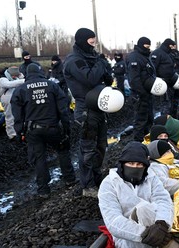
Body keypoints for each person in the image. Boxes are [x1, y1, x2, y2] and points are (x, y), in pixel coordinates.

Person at [11, 63, 76, 197]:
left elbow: (17, 114)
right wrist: (66, 128)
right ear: (41, 72)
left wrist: (20, 132)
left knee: (39, 158)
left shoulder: (21, 89)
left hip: (33, 130)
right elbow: (63, 109)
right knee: (62, 150)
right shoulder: (52, 86)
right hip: (53, 127)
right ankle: (69, 179)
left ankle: (43, 190)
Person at [64, 27, 112, 196]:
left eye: (94, 40)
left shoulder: (91, 57)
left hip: (99, 107)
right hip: (86, 109)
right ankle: (88, 185)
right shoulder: (74, 60)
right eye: (90, 40)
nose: (93, 43)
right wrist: (99, 63)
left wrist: (105, 66)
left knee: (100, 146)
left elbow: (107, 79)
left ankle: (98, 179)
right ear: (83, 40)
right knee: (88, 149)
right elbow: (90, 79)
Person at [97, 141, 174, 247]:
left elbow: (163, 199)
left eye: (139, 164)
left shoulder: (151, 177)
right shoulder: (109, 184)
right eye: (131, 163)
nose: (135, 167)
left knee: (144, 209)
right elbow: (113, 220)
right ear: (123, 164)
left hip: (155, 226)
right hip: (128, 236)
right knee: (142, 208)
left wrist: (162, 224)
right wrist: (144, 234)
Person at [127, 37, 157, 142]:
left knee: (149, 120)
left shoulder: (145, 56)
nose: (148, 48)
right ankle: (138, 145)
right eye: (146, 46)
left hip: (147, 94)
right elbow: (134, 79)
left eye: (149, 46)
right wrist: (142, 92)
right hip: (139, 95)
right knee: (140, 121)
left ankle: (146, 142)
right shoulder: (134, 57)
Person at [151, 38, 179, 118]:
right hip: (161, 82)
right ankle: (163, 120)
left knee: (172, 102)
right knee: (164, 104)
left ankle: (172, 118)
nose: (173, 48)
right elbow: (153, 68)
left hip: (171, 81)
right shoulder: (157, 53)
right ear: (168, 45)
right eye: (172, 46)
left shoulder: (170, 54)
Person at [0, 66, 26, 140]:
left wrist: (21, 76)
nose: (15, 77)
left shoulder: (16, 78)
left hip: (16, 99)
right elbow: (9, 84)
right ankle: (11, 135)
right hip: (7, 99)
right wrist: (24, 80)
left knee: (19, 116)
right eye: (14, 75)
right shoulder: (2, 79)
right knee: (9, 117)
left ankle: (19, 132)